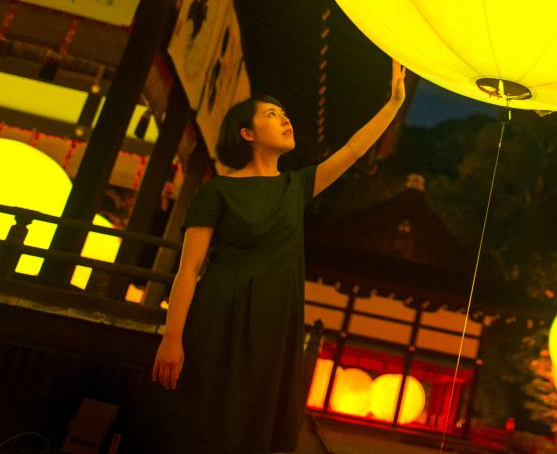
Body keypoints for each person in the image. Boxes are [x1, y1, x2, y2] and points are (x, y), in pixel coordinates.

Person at [125, 60, 406, 453]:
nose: (285, 120)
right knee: (191, 419)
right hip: (218, 312)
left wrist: (392, 104)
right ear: (247, 134)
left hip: (274, 323)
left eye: (285, 114)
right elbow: (188, 269)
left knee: (252, 423)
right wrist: (172, 338)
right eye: (272, 115)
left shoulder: (295, 187)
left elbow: (355, 150)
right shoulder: (217, 192)